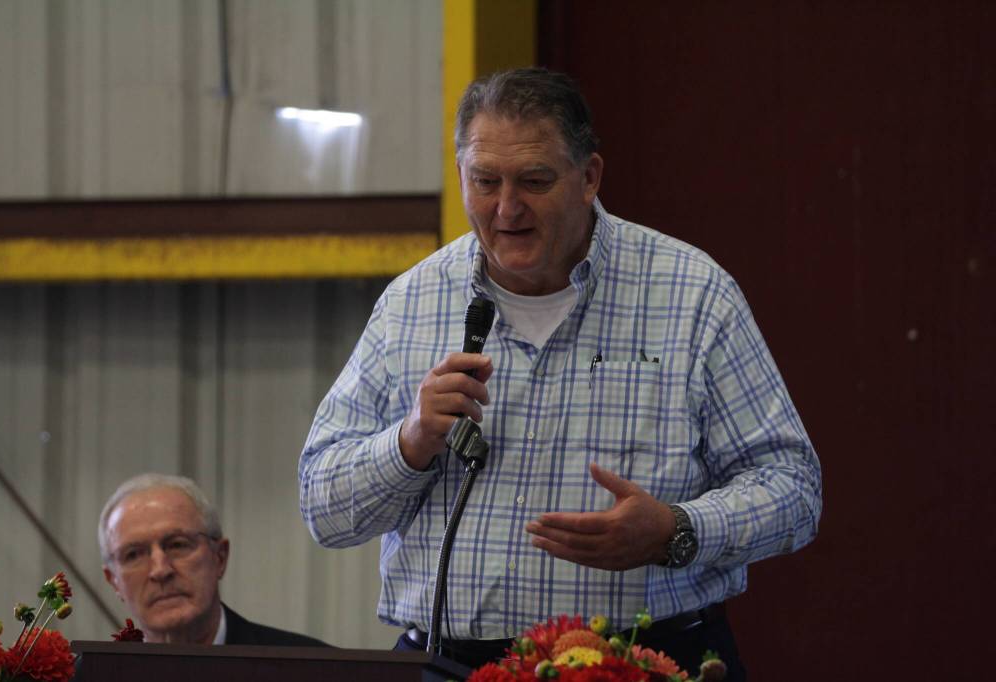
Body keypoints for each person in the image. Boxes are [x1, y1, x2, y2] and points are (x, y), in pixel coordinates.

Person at [299, 67, 821, 678]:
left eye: (535, 181)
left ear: (589, 178)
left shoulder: (692, 294)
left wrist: (675, 530)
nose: (506, 208)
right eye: (484, 181)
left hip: (639, 661)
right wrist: (409, 443)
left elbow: (793, 488)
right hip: (449, 663)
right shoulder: (411, 302)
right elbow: (323, 508)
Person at [99, 473, 330, 647]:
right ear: (113, 581)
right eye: (133, 555)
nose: (160, 570)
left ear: (219, 557)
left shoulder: (314, 669)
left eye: (178, 545)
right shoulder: (91, 675)